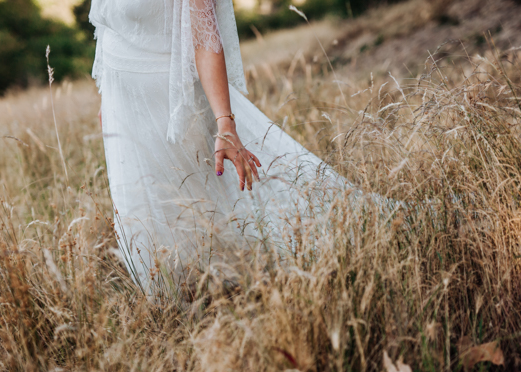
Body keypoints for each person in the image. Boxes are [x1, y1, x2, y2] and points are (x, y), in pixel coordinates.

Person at [89, 0, 340, 297]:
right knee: (147, 208)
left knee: (208, 207)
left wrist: (225, 124)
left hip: (171, 107)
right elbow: (106, 26)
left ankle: (245, 289)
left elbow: (206, 38)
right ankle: (182, 303)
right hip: (125, 106)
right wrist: (107, 95)